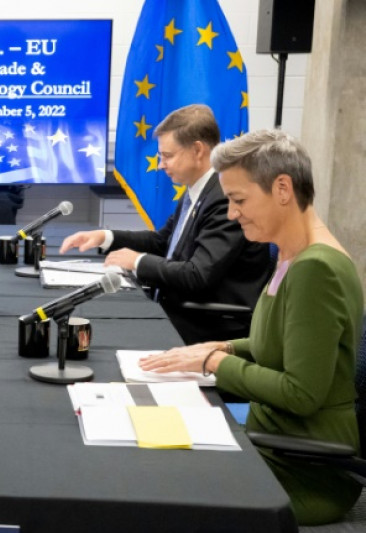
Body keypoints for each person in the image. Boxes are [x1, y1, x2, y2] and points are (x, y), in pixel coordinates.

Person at [140, 129, 363, 525]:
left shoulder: (316, 269)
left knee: (154, 485)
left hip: (302, 470)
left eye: (239, 200)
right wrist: (223, 347)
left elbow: (300, 394)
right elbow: (282, 340)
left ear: (282, 189)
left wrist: (214, 364)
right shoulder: (293, 254)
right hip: (274, 446)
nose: (231, 213)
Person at [59, 104, 272, 344]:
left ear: (198, 150)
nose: (161, 164)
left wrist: (137, 261)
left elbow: (198, 275)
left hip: (207, 324)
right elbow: (163, 242)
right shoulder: (198, 190)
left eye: (168, 156)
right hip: (179, 308)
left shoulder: (224, 198)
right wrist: (105, 237)